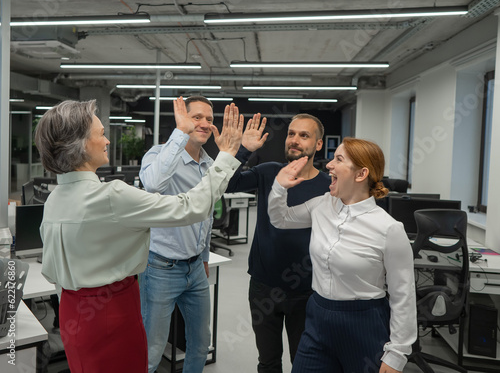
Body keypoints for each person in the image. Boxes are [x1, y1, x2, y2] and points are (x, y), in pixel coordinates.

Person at [34, 97, 242, 373]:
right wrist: (226, 156)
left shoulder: (54, 199)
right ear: (83, 145)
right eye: (102, 134)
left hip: (73, 314)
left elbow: (52, 272)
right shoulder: (111, 195)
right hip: (113, 312)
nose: (107, 141)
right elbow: (192, 207)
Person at [267, 137, 417, 373]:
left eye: (338, 159)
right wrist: (279, 187)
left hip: (364, 323)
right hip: (317, 317)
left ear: (360, 174)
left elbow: (403, 294)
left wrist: (397, 354)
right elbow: (280, 218)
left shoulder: (389, 229)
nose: (328, 165)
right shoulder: (322, 205)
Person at [139, 96, 244, 373]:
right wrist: (180, 133)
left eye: (209, 119)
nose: (205, 123)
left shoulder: (210, 163)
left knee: (199, 345)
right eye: (197, 117)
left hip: (195, 267)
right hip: (161, 267)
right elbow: (152, 184)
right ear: (183, 118)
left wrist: (205, 254)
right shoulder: (159, 154)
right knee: (151, 351)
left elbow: (206, 213)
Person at [226, 113, 331, 372]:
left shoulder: (329, 187)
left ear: (318, 144)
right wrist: (243, 151)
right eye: (291, 134)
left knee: (304, 362)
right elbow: (227, 184)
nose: (294, 140)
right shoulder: (269, 172)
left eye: (304, 135)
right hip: (264, 287)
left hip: (308, 290)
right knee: (268, 361)